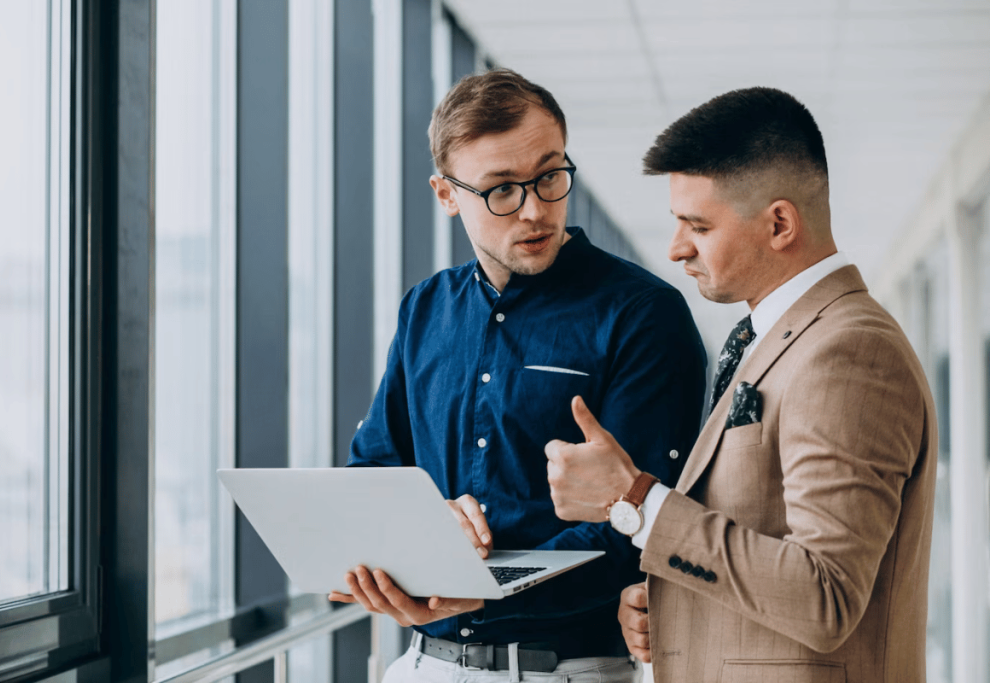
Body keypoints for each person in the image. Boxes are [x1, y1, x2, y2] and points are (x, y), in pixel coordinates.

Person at [545, 86, 937, 682]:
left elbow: (824, 595)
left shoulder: (849, 352)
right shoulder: (782, 336)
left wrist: (636, 501)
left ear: (780, 223)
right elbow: (763, 549)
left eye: (696, 225)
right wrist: (676, 607)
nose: (676, 248)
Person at [328, 68, 706, 682]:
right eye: (501, 190)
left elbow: (647, 526)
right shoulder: (424, 309)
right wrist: (426, 523)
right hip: (421, 666)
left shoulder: (643, 315)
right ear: (447, 195)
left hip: (565, 670)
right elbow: (373, 469)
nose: (535, 210)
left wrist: (486, 586)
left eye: (551, 176)